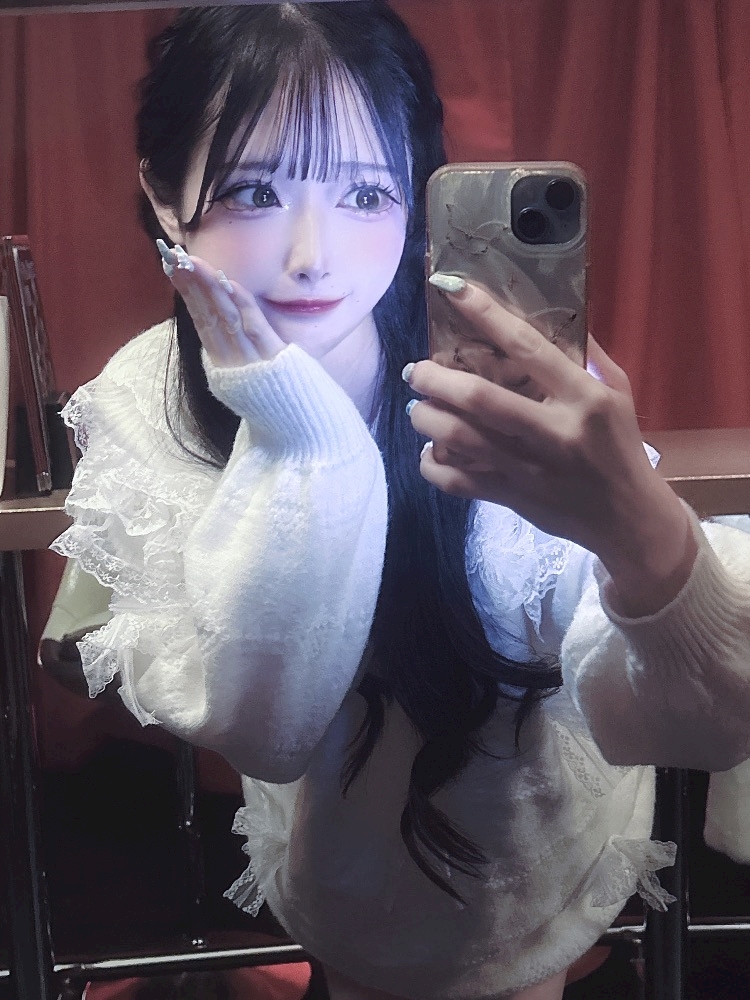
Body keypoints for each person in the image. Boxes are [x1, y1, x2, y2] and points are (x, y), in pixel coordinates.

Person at [52, 4, 750, 999]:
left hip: (535, 868)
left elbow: (703, 718)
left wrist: (644, 534)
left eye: (365, 193)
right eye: (253, 189)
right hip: (334, 874)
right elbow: (266, 725)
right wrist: (303, 432)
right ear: (166, 199)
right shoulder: (151, 391)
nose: (312, 254)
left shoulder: (492, 372)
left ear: (415, 195)